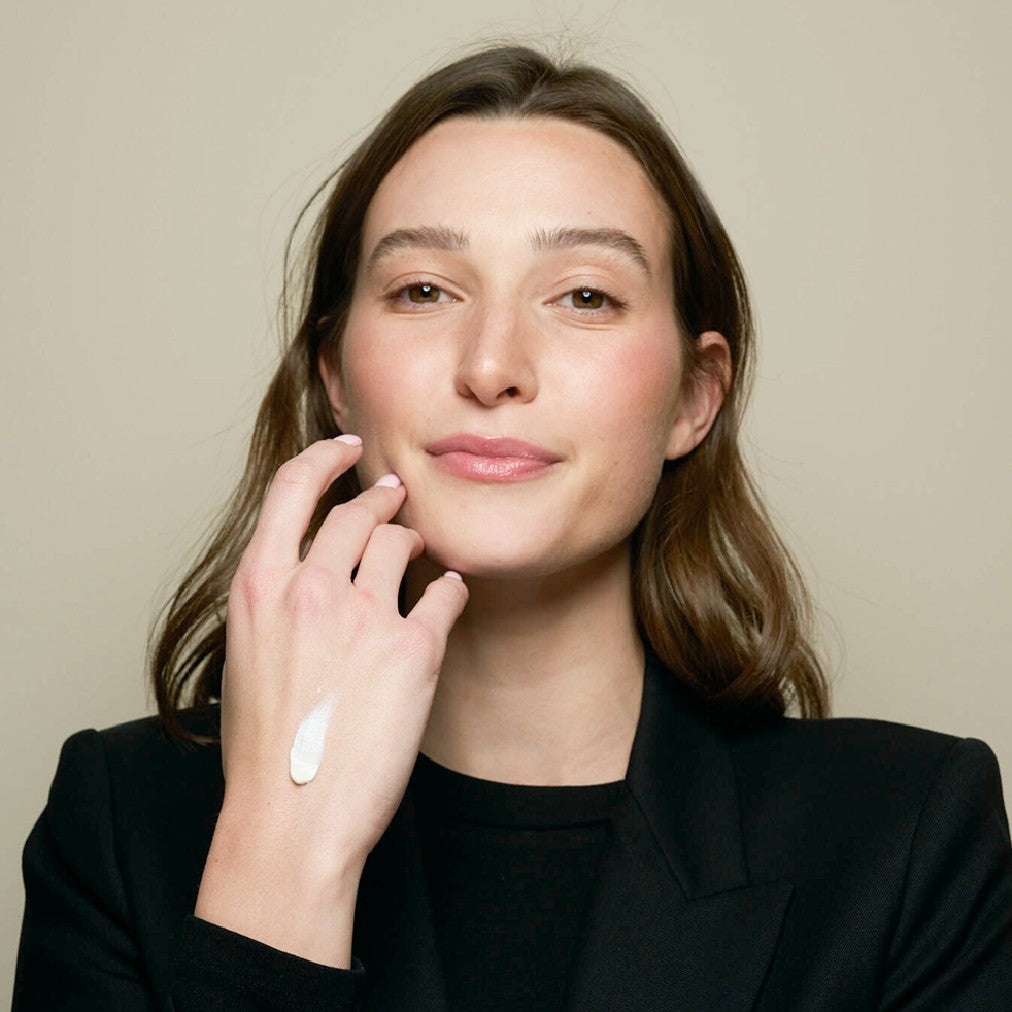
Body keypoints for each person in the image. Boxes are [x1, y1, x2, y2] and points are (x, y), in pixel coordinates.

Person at [13, 43, 1012, 1011]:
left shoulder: (906, 831)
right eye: (423, 291)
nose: (492, 365)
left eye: (585, 295)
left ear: (692, 397)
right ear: (336, 380)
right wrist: (283, 847)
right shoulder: (119, 818)